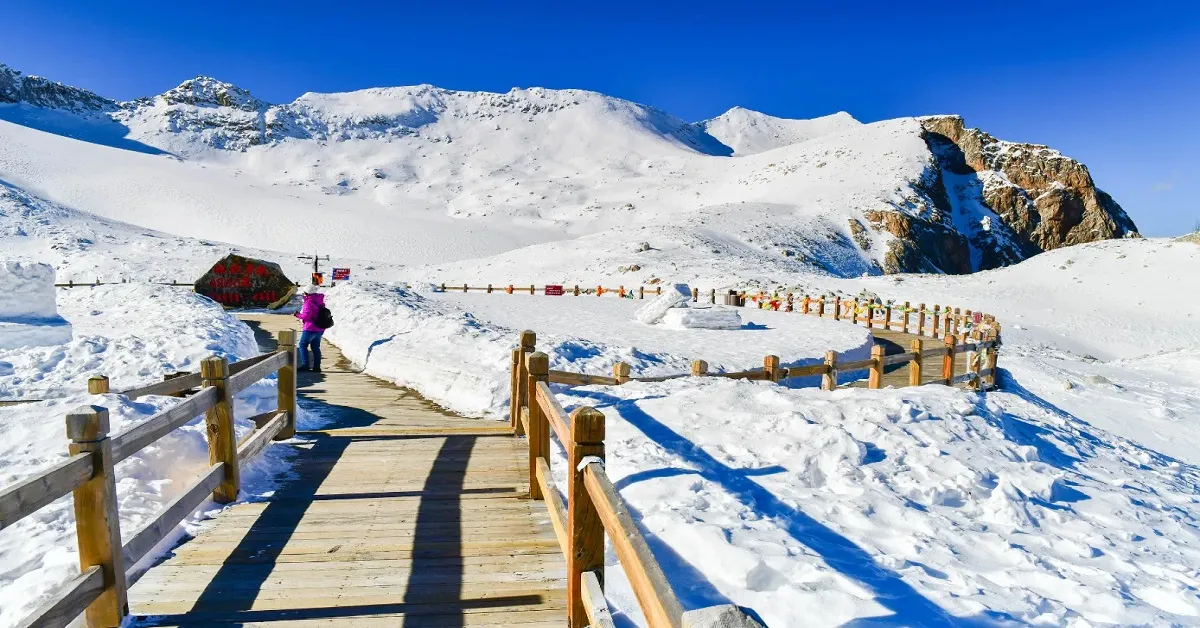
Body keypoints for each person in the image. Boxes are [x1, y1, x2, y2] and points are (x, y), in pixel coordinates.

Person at [294, 285, 328, 372]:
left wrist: (297, 315)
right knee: (316, 347)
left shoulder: (309, 302)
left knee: (302, 345)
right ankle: (317, 367)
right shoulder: (320, 301)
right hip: (320, 328)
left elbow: (306, 316)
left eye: (304, 293)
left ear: (307, 293)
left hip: (310, 328)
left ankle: (305, 365)